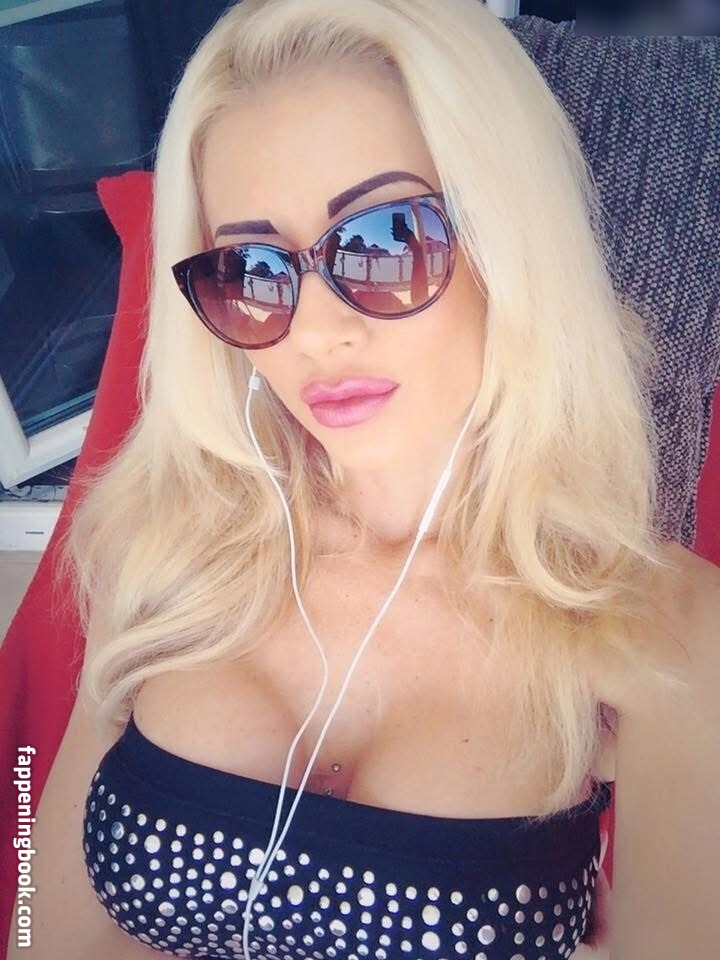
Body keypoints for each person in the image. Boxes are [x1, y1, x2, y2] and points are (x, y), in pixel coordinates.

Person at [9, 1, 718, 958]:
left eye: (385, 240)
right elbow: (41, 924)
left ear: (511, 242)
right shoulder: (170, 538)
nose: (316, 332)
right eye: (254, 270)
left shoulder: (665, 629)